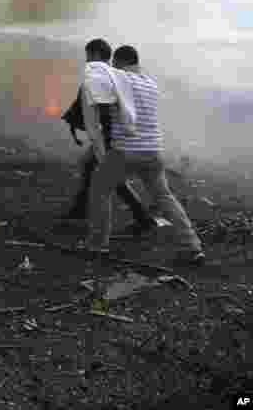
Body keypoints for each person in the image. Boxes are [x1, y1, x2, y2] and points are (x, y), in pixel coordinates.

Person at [83, 45, 205, 265]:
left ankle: (97, 245)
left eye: (114, 64)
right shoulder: (150, 83)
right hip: (153, 151)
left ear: (119, 63)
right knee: (164, 197)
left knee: (100, 189)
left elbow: (103, 102)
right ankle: (193, 246)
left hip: (126, 151)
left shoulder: (120, 80)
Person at [59, 39, 156, 236]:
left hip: (112, 136)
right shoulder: (112, 75)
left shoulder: (102, 75)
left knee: (102, 173)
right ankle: (81, 212)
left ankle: (137, 219)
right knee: (94, 169)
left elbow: (102, 108)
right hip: (115, 134)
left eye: (88, 55)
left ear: (94, 54)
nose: (86, 59)